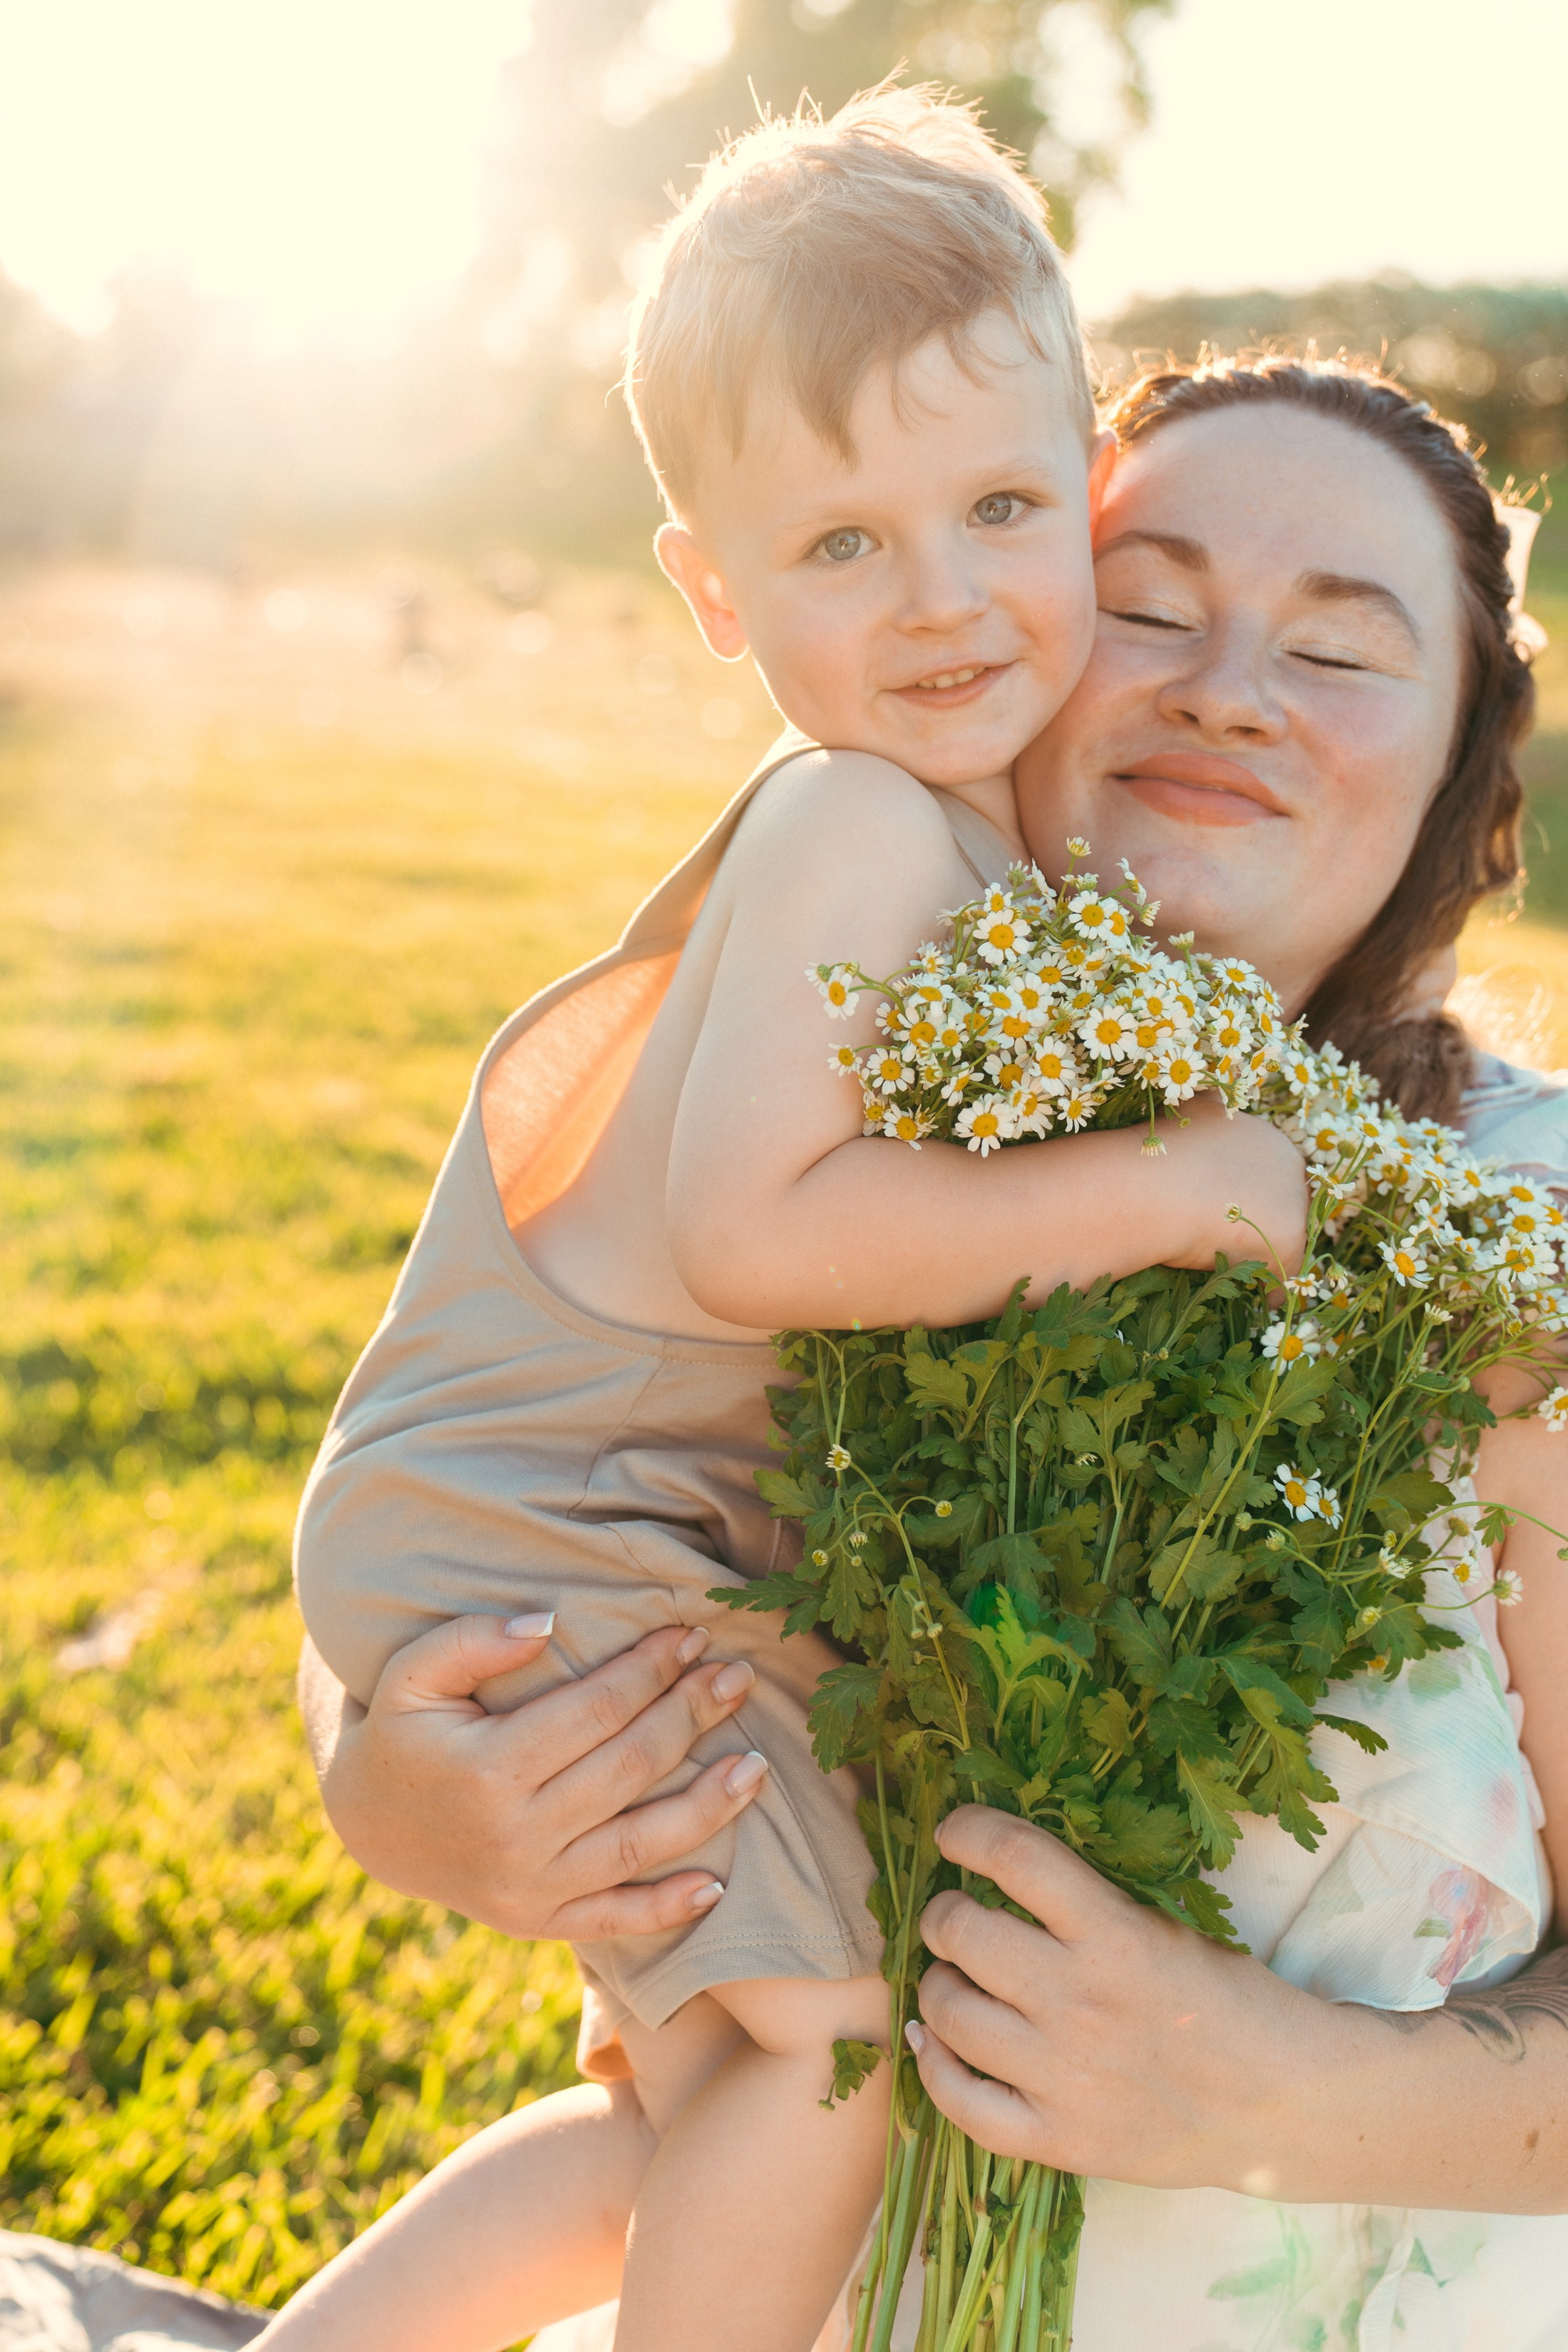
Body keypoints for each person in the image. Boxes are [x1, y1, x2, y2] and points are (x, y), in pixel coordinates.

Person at [302, 354, 1568, 2351]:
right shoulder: (848, 1148)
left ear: (1455, 775)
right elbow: (522, 1458)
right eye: (1145, 605)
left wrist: (1282, 2095)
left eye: (1341, 651)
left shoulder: (1517, 1247)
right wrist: (401, 1782)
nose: (1226, 686)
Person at [267, 89, 1310, 2352]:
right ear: (713, 588)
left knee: (690, 2090)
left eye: (1003, 509)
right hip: (558, 1508)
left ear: (1086, 493)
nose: (943, 598)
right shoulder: (854, 818)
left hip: (564, 1492)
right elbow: (763, 1233)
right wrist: (1172, 1190)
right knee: (824, 2049)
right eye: (840, 547)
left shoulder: (938, 830)